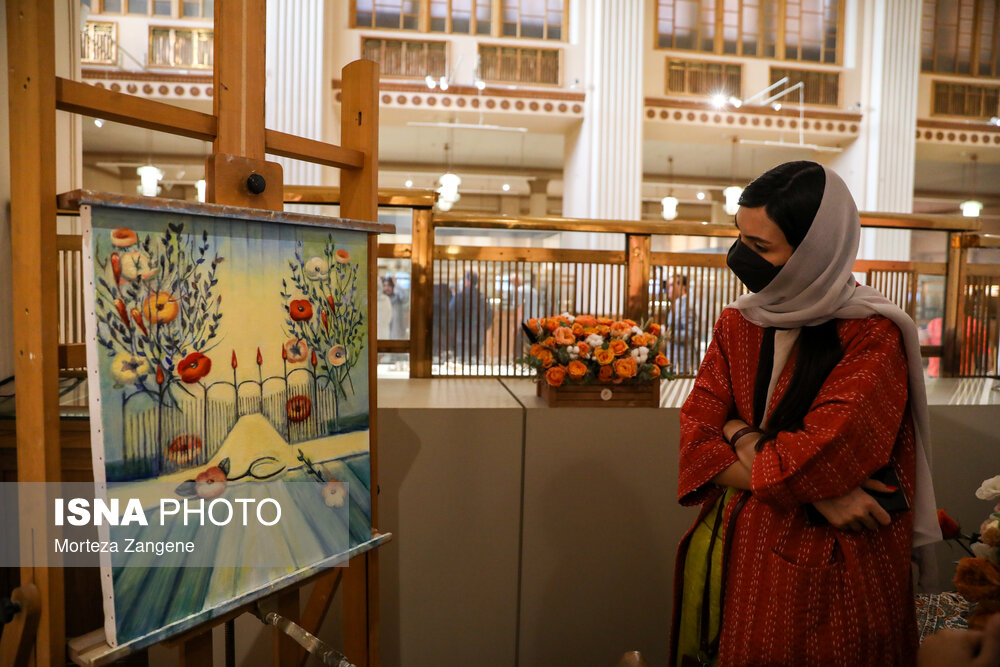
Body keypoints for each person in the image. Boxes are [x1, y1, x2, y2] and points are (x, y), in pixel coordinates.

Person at [671, 161, 941, 666]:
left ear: (815, 251)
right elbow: (694, 441)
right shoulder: (738, 322)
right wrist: (818, 495)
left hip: (842, 562)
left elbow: (818, 460)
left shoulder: (871, 334)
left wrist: (739, 432)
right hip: (745, 548)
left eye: (760, 248)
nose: (740, 259)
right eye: (740, 238)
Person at [448, 270, 493, 365]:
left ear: (467, 281)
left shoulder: (459, 297)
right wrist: (483, 328)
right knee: (476, 364)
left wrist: (454, 328)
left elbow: (450, 313)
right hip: (478, 335)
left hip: (461, 334)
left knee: (462, 363)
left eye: (464, 279)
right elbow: (490, 315)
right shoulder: (482, 297)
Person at [664, 273, 693, 374]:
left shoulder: (687, 306)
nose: (668, 289)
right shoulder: (677, 303)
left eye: (672, 285)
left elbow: (689, 334)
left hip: (681, 365)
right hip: (673, 363)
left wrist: (668, 334)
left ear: (683, 287)